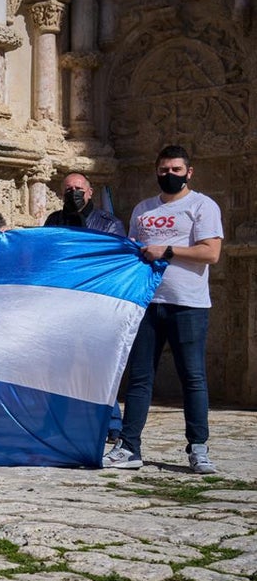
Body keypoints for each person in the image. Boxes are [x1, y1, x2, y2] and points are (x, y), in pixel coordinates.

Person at [104, 145, 223, 474]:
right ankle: (129, 447)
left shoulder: (202, 206)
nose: (169, 175)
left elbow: (211, 252)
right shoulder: (143, 210)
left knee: (193, 378)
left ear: (189, 172)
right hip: (147, 304)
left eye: (175, 169)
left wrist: (166, 249)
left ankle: (198, 448)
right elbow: (130, 251)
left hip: (187, 304)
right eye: (163, 170)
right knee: (140, 378)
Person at [44, 172, 126, 235]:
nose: (73, 192)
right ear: (62, 194)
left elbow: (117, 252)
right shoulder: (54, 220)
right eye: (69, 190)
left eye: (78, 189)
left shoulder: (108, 223)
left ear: (90, 192)